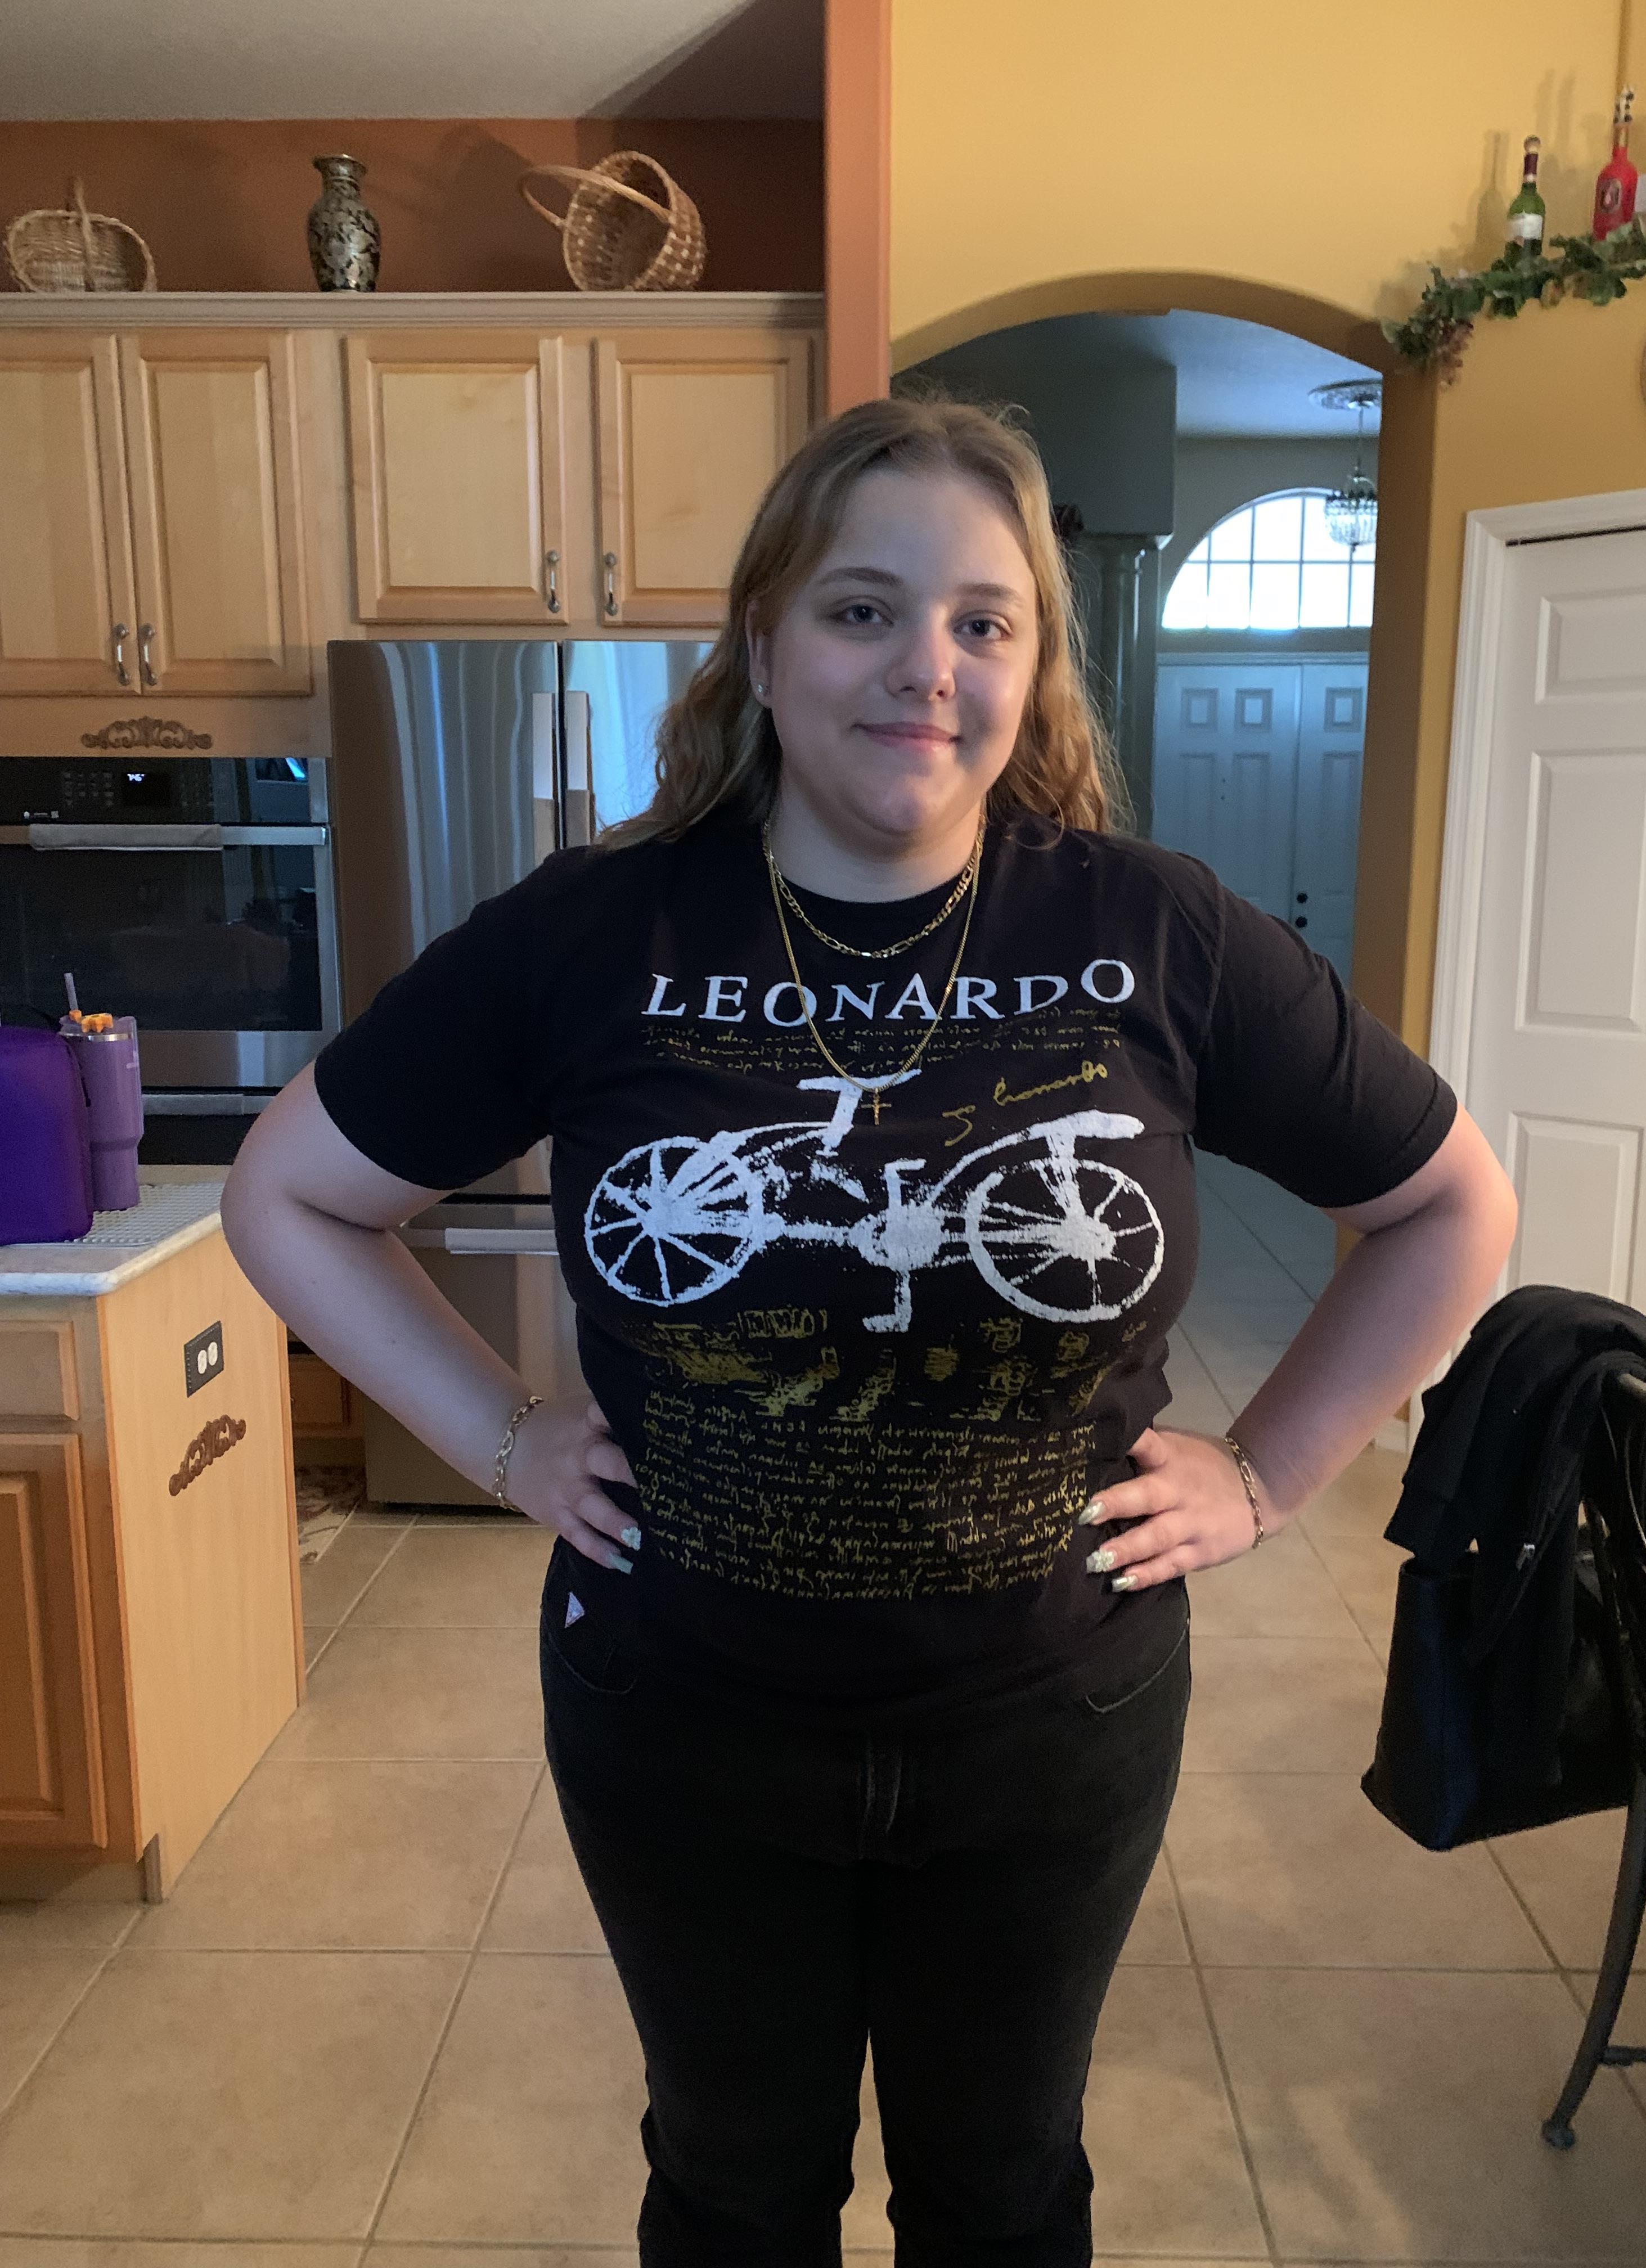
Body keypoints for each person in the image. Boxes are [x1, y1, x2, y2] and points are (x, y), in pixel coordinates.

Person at [221, 395, 1517, 2267]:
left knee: (1002, 2197)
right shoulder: (593, 931)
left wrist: (1261, 1469)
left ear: (1035, 670)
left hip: (1050, 1720)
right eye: (862, 610)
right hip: (684, 1719)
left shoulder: (1161, 932)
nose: (928, 667)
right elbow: (293, 1195)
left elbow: (1446, 1204)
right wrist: (503, 1438)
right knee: (738, 2191)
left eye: (986, 622)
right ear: (761, 639)